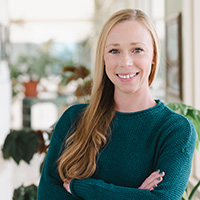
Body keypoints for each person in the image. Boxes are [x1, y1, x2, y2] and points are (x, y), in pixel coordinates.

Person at [37, 9, 196, 200]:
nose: (125, 62)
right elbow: (48, 195)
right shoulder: (73, 119)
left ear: (153, 55)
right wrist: (135, 195)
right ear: (103, 58)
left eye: (137, 50)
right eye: (114, 51)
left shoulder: (176, 130)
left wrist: (82, 187)